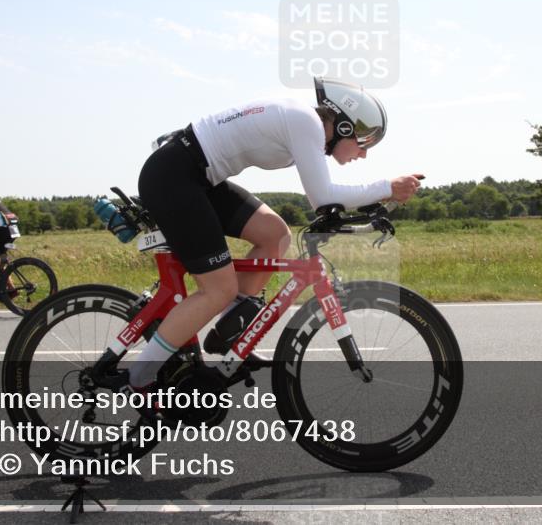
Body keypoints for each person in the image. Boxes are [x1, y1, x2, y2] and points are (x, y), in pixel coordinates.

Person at [129, 78, 422, 394]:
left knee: (275, 235)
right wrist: (387, 188)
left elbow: (325, 199)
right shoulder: (306, 122)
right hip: (174, 176)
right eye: (364, 142)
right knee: (219, 289)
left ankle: (229, 334)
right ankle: (139, 379)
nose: (363, 154)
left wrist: (375, 202)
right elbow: (322, 197)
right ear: (344, 127)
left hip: (196, 176)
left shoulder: (304, 123)